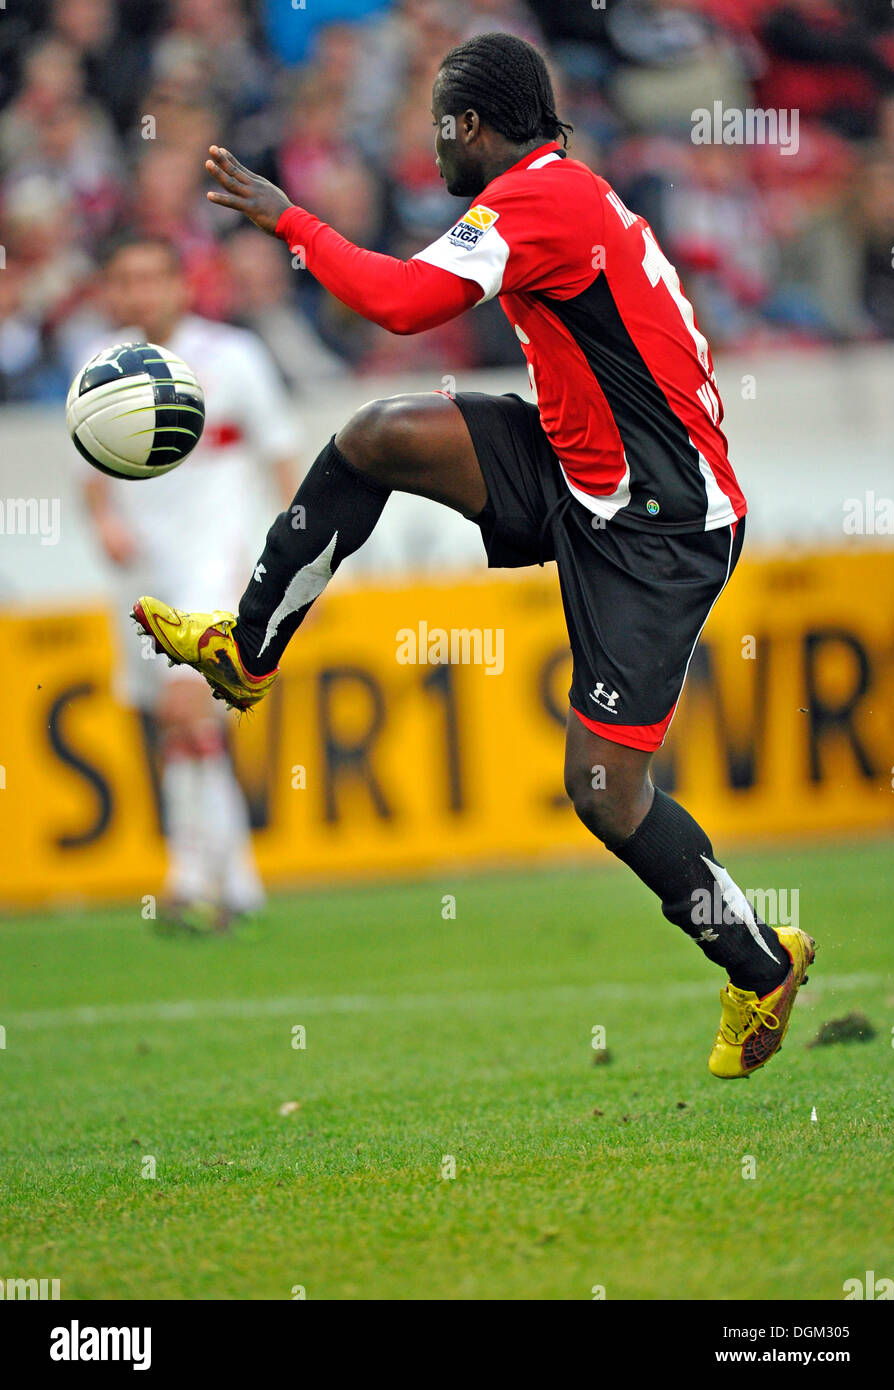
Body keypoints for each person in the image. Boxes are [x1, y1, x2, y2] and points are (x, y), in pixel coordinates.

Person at [132, 32, 815, 1070]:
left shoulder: (544, 200)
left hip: (661, 523)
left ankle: (762, 966)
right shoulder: (548, 194)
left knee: (603, 792)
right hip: (577, 463)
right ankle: (247, 649)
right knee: (378, 438)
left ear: (473, 126)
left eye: (439, 126)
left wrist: (289, 219)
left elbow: (403, 304)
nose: (431, 146)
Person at [82, 234, 300, 930]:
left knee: (187, 707)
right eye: (126, 280)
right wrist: (105, 524)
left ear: (181, 285)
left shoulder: (232, 356)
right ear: (112, 293)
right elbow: (89, 472)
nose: (140, 293)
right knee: (179, 722)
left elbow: (283, 460)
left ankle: (187, 878)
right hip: (146, 569)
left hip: (217, 557)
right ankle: (235, 878)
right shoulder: (99, 366)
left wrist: (298, 566)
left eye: (152, 277)